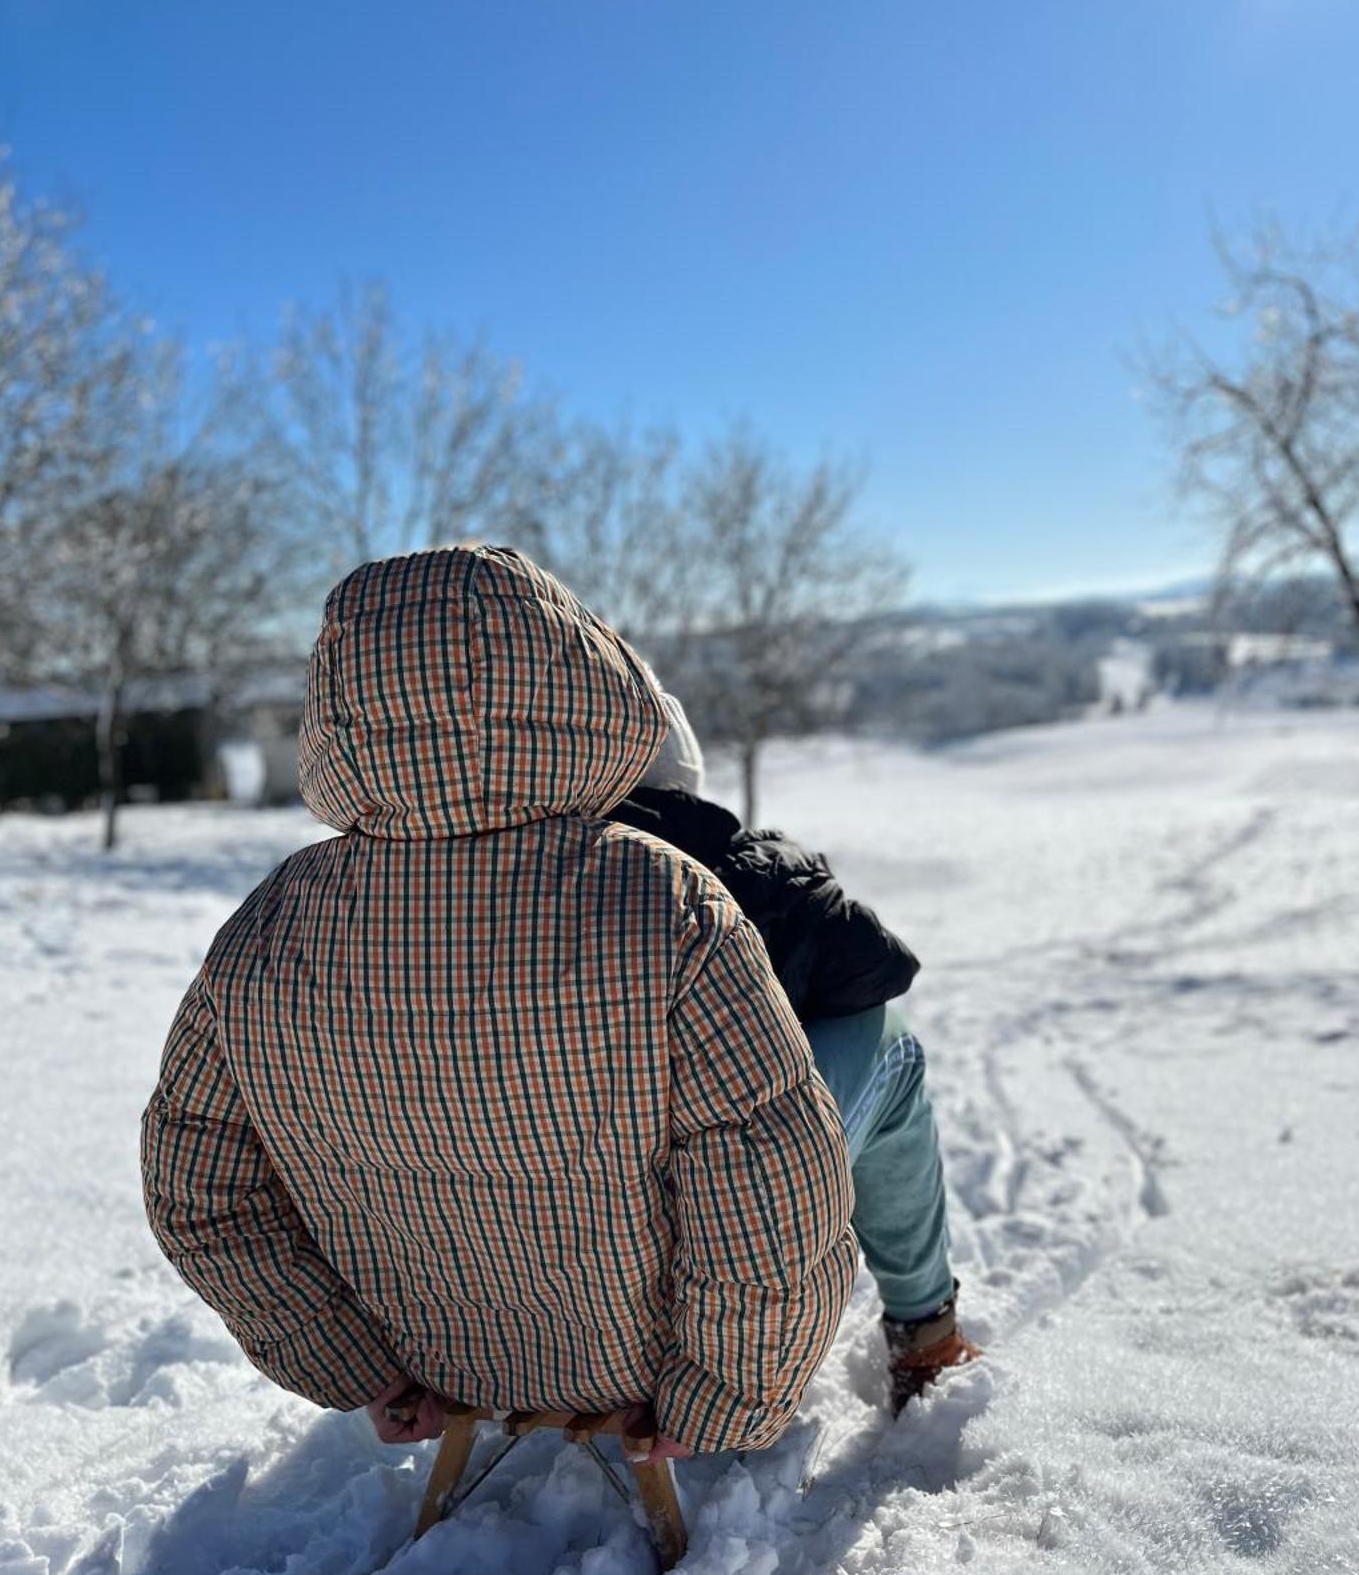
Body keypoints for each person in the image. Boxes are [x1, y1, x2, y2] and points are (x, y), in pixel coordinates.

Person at [141, 546, 856, 1466]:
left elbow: (198, 1192)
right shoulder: (660, 901)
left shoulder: (269, 923)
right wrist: (723, 1397)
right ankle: (926, 1318)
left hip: (437, 1358)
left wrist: (356, 1365)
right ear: (577, 679)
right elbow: (767, 1184)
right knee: (882, 1062)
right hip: (639, 1363)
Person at [610, 695, 981, 1414]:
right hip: (681, 1238)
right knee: (891, 1046)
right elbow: (875, 967)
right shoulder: (698, 870)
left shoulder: (388, 892)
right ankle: (926, 1330)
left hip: (484, 1279)